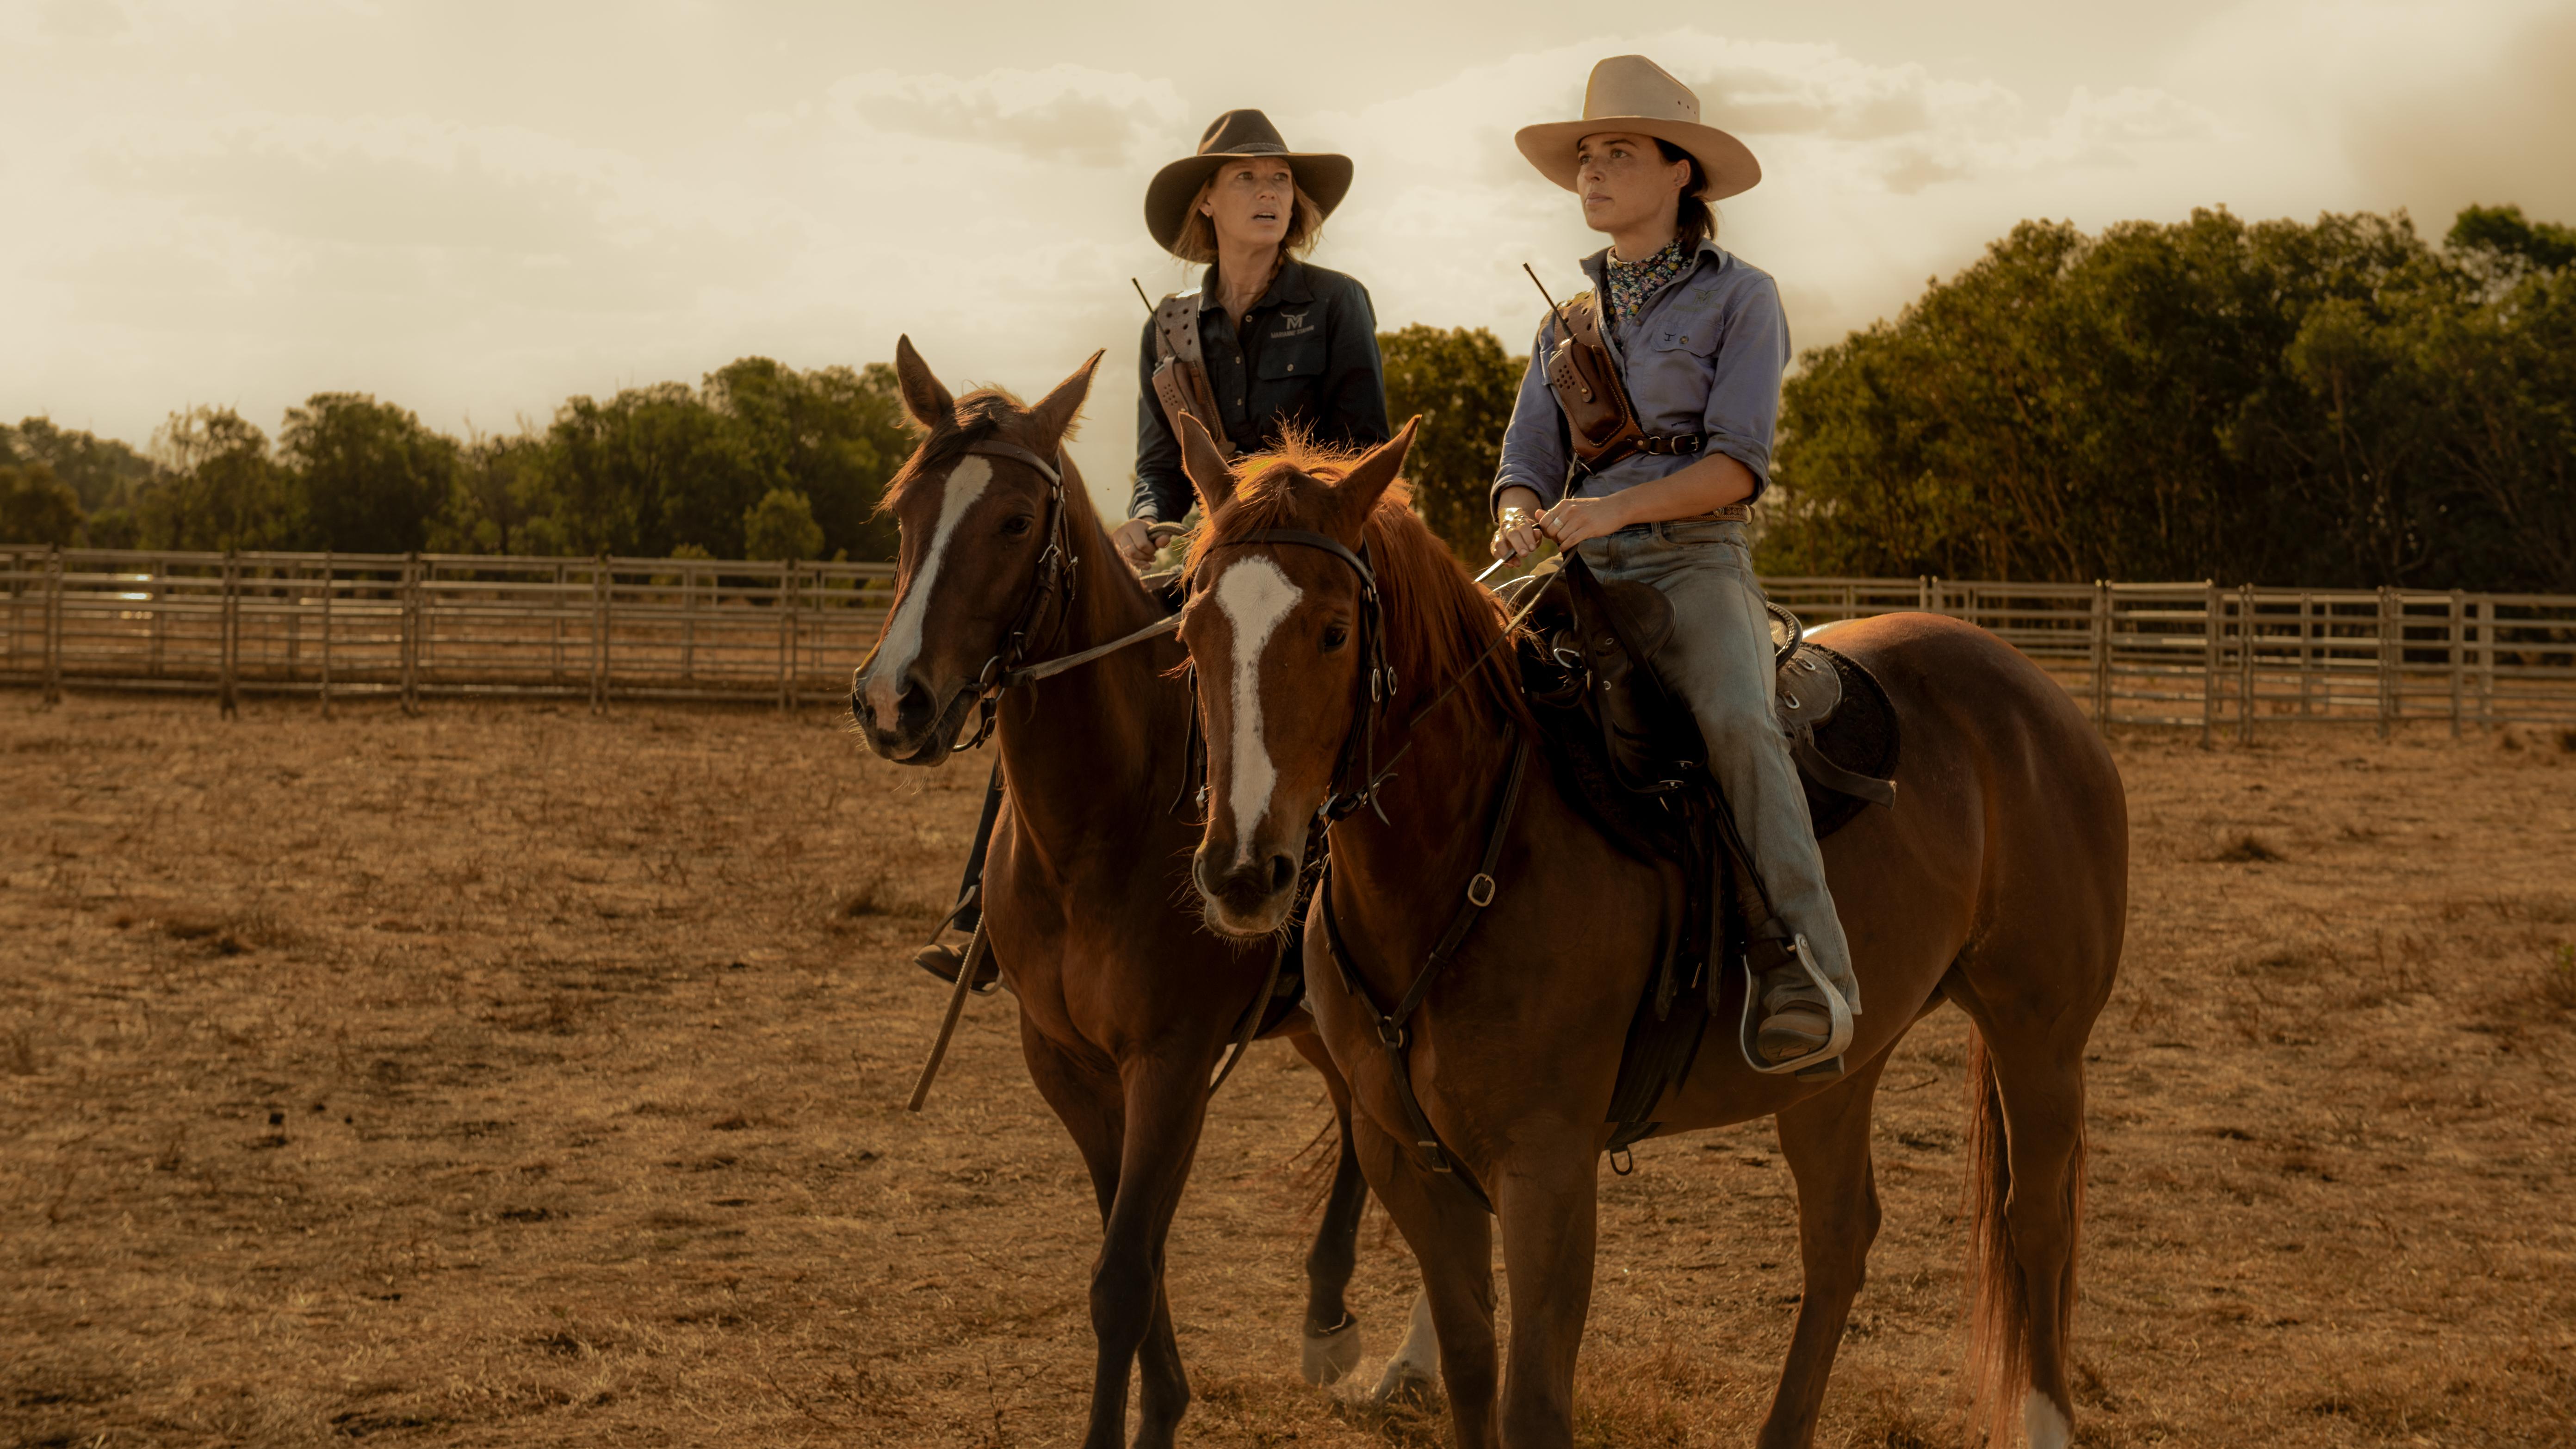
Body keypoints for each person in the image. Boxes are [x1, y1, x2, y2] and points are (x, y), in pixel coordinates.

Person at [918, 109, 1390, 986]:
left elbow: (1361, 452)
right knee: (1054, 668)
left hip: (1305, 556)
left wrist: (1266, 512)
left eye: (1281, 180)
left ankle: (1331, 917)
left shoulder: (1334, 304)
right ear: (1205, 201)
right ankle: (984, 909)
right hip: (1203, 552)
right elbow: (1153, 468)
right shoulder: (1168, 329)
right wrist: (1143, 518)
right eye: (1247, 178)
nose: (1269, 193)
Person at [1489, 55, 1859, 1072]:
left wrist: (1611, 513)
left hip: (1694, 564)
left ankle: (1810, 972)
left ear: (1679, 175)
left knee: (1739, 722)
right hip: (1575, 571)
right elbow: (1526, 460)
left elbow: (1736, 469)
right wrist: (1518, 515)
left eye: (1618, 154)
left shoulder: (1744, 299)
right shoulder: (1562, 323)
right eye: (1586, 157)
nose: (1593, 173)